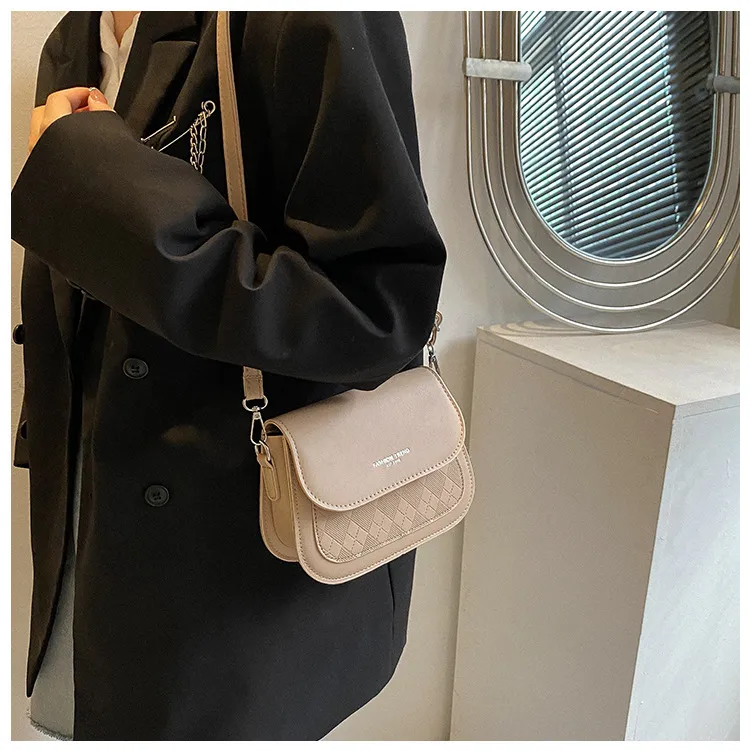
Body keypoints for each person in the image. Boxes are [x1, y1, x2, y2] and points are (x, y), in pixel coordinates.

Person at [11, 10, 447, 741]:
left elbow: (376, 311)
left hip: (238, 574)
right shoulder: (73, 39)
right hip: (90, 539)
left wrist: (99, 184)